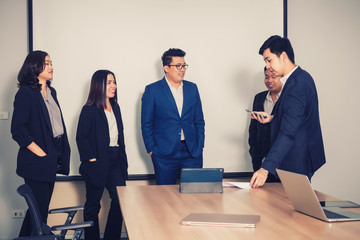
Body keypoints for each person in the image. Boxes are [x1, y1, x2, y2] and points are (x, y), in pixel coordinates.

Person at [250, 35, 326, 188]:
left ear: (283, 56)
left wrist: (265, 169)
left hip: (296, 161)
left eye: (269, 60)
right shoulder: (299, 78)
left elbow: (289, 132)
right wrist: (272, 118)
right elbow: (297, 118)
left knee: (293, 210)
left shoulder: (296, 85)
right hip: (296, 157)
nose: (268, 66)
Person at [11, 50, 71, 236]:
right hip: (36, 162)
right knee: (39, 213)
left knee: (37, 213)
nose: (51, 66)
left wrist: (54, 155)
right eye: (46, 63)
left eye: (51, 63)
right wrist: (41, 154)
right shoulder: (26, 93)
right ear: (34, 66)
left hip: (52, 157)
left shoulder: (52, 92)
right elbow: (18, 130)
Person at [76, 70, 128, 240]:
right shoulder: (89, 109)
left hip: (115, 159)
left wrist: (122, 161)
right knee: (93, 205)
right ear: (99, 85)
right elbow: (81, 137)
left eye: (114, 82)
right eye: (109, 83)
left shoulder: (116, 107)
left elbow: (120, 135)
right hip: (97, 161)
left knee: (120, 201)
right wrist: (92, 159)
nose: (114, 86)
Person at [141, 48, 205, 185]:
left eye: (184, 66)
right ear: (166, 68)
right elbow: (146, 123)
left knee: (193, 196)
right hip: (164, 154)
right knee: (165, 197)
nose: (182, 69)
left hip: (191, 152)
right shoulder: (152, 90)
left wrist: (200, 145)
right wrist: (152, 150)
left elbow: (199, 120)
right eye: (178, 66)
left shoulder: (192, 88)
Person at [248, 67, 282, 182]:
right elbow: (253, 129)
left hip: (281, 162)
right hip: (259, 161)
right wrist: (253, 151)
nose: (269, 81)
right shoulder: (259, 97)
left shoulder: (287, 99)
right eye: (266, 77)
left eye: (274, 77)